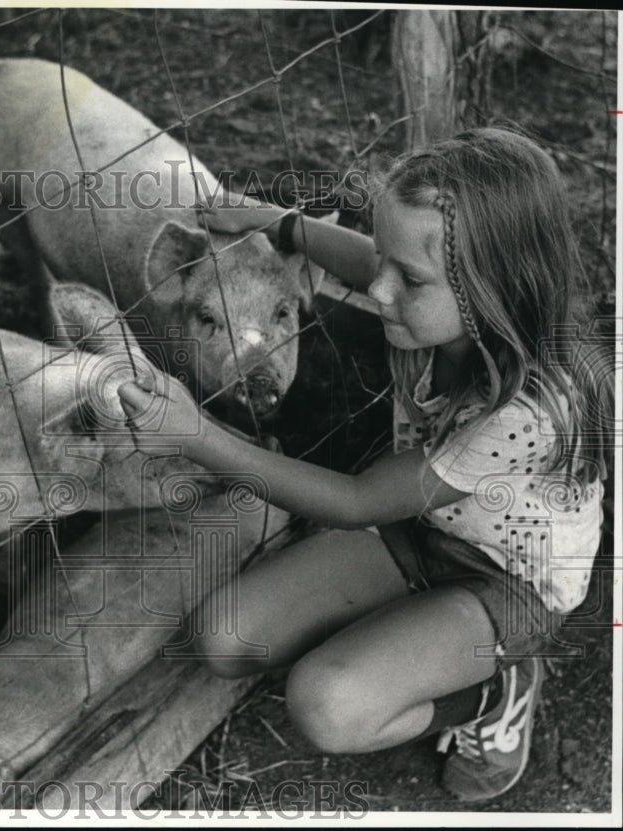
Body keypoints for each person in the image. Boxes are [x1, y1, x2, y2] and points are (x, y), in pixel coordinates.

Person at [118, 128, 610, 801]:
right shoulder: (435, 313)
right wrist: (273, 221)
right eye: (384, 258)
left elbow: (354, 501)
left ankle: (495, 692)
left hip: (506, 578)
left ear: (493, 284)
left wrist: (196, 433)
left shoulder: (523, 410)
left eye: (406, 277)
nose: (375, 287)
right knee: (224, 638)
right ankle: (407, 643)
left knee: (324, 703)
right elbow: (362, 260)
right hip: (424, 529)